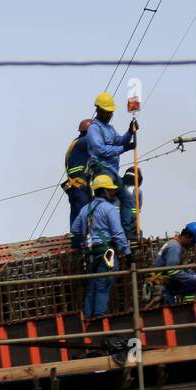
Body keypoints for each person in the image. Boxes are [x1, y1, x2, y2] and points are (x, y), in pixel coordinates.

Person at [70, 175, 131, 320]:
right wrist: (127, 253)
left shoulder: (85, 210)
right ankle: (99, 318)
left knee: (91, 286)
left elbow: (74, 229)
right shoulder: (108, 209)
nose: (113, 193)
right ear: (103, 191)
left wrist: (86, 236)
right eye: (110, 190)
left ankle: (88, 318)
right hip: (106, 253)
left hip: (90, 254)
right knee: (103, 284)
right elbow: (118, 233)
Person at [84, 92, 137, 234]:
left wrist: (130, 132)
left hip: (113, 173)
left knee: (127, 199)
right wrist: (123, 149)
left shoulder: (110, 129)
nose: (109, 115)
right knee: (105, 205)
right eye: (106, 112)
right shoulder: (94, 129)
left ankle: (125, 232)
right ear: (98, 110)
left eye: (110, 113)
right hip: (102, 172)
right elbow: (100, 149)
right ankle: (104, 233)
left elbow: (119, 141)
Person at [154, 222, 196, 306]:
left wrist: (195, 275)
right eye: (193, 243)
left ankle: (188, 304)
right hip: (160, 286)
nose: (192, 246)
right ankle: (187, 307)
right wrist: (191, 277)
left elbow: (179, 268)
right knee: (171, 311)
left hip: (165, 283)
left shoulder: (175, 245)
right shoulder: (175, 248)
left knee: (191, 284)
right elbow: (172, 271)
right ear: (188, 236)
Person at [63, 118, 93, 229]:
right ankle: (83, 240)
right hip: (79, 187)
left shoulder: (75, 143)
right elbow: (98, 143)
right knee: (84, 213)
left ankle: (75, 238)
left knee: (76, 214)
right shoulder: (83, 142)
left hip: (73, 187)